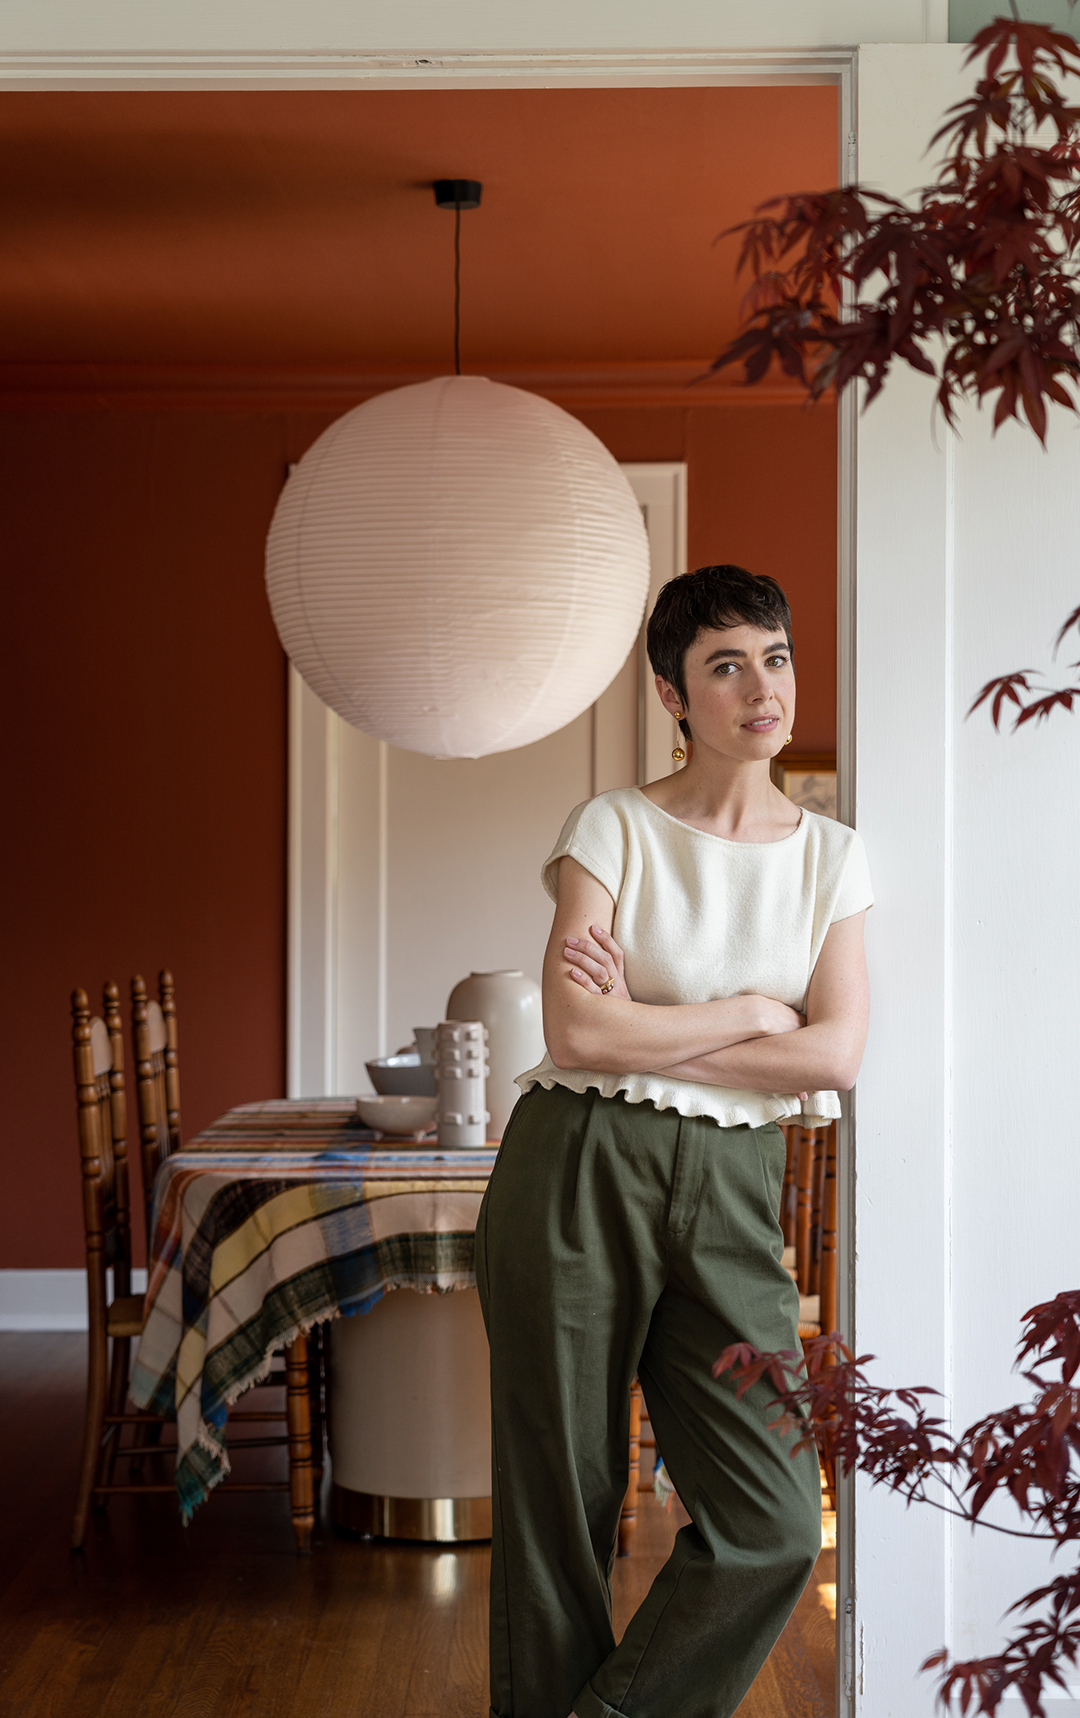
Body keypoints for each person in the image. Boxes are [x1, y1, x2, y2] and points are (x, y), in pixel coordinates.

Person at [475, 564, 872, 1718]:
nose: (763, 685)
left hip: (738, 1182)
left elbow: (836, 1055)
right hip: (577, 1161)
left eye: (777, 655)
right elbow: (573, 1029)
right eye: (726, 664)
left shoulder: (831, 856)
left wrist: (642, 1027)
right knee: (565, 1498)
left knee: (779, 1521)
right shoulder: (612, 826)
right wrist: (752, 1014)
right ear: (674, 694)